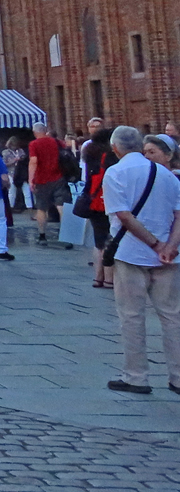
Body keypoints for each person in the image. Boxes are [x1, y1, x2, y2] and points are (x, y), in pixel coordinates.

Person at [101, 127, 180, 395]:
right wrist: (169, 246)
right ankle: (178, 376)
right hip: (168, 256)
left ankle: (136, 376)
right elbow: (179, 214)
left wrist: (154, 244)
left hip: (131, 252)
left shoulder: (116, 172)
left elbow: (123, 215)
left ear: (115, 149)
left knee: (132, 315)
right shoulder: (166, 175)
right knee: (172, 316)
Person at [81, 129, 117, 288]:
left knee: (98, 242)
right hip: (107, 201)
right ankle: (110, 279)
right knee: (110, 240)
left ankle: (98, 277)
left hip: (93, 200)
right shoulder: (109, 156)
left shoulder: (89, 153)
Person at [28, 123, 65, 245]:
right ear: (45, 131)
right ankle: (67, 235)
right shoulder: (56, 142)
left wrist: (30, 179)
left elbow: (34, 161)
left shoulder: (34, 144)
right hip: (58, 177)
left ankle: (42, 235)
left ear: (34, 132)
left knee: (42, 208)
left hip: (42, 179)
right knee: (61, 206)